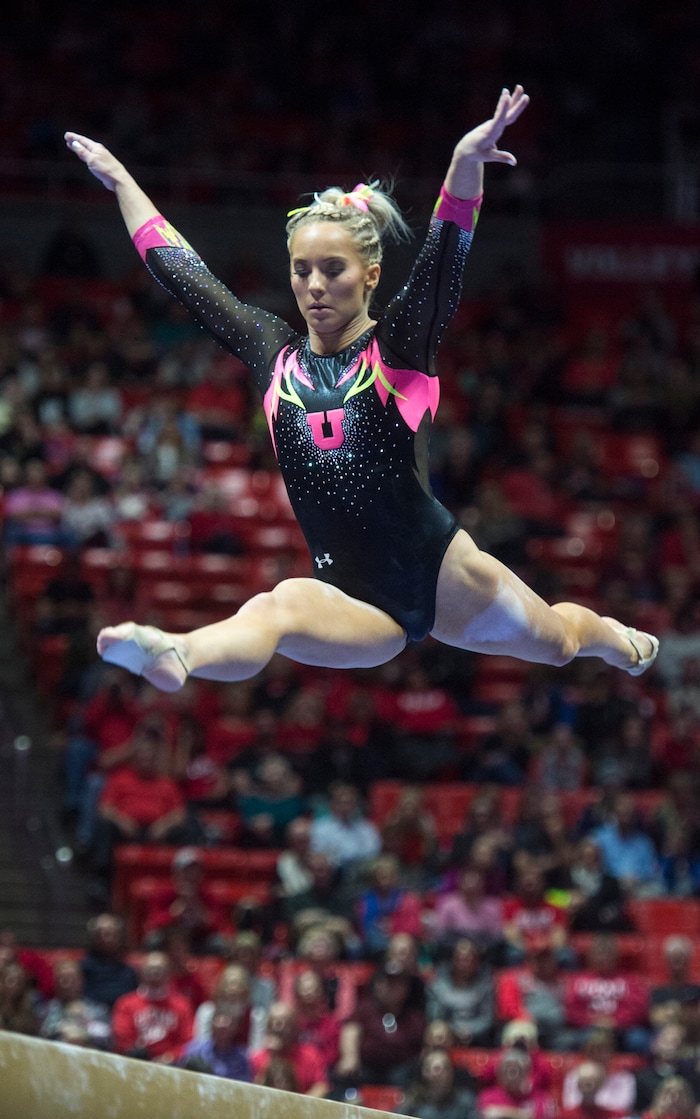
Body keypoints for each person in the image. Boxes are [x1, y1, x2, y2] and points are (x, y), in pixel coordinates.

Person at [64, 86, 659, 703]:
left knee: (559, 643)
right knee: (278, 607)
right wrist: (121, 181)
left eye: (333, 269)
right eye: (301, 270)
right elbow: (183, 272)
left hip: (439, 573)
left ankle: (615, 639)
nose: (315, 286)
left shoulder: (397, 349)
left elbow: (443, 260)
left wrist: (464, 162)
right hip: (351, 597)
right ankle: (179, 650)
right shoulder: (274, 353)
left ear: (370, 274)